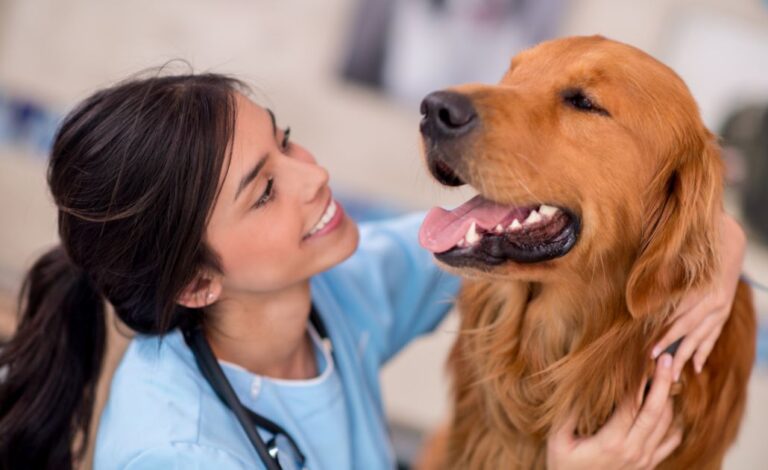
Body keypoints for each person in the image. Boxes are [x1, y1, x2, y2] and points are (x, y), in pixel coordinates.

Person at [0, 73, 746, 470]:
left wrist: (716, 244)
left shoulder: (333, 292)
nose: (313, 176)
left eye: (286, 143)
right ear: (197, 284)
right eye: (263, 191)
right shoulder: (174, 452)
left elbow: (576, 228)